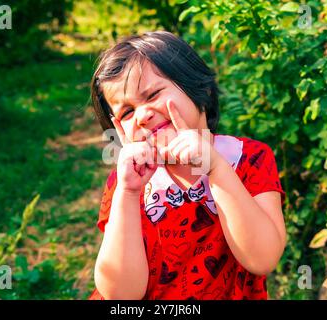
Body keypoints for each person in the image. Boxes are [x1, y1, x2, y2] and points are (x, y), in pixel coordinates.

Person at [89, 31, 286, 300]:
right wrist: (128, 193)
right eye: (127, 112)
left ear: (199, 88)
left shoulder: (247, 159)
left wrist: (215, 167)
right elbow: (120, 295)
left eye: (153, 94)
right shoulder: (126, 184)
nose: (143, 115)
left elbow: (263, 259)